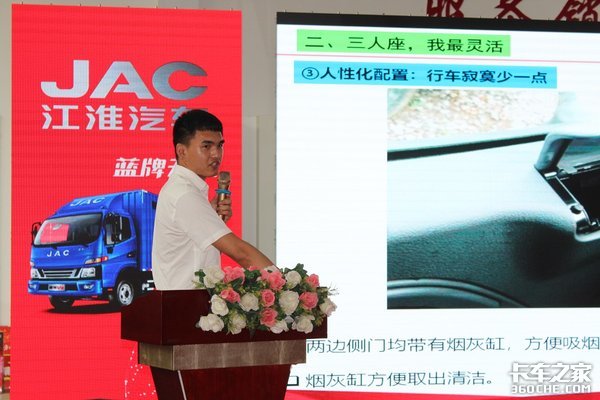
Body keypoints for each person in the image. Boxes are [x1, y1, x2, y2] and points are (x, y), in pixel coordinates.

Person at [151, 109, 274, 290]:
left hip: (190, 301)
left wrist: (212, 215)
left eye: (220, 145)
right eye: (206, 146)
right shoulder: (184, 194)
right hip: (182, 303)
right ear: (181, 151)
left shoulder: (185, 189)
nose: (216, 154)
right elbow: (241, 253)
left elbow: (196, 254)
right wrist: (284, 285)